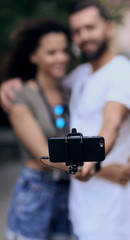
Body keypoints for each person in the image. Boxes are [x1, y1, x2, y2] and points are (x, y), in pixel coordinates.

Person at [0, 1, 130, 239]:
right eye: (77, 31)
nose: (83, 36)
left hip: (109, 208)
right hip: (65, 199)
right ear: (34, 56)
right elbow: (41, 151)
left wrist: (95, 162)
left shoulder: (124, 73)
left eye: (90, 27)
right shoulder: (77, 78)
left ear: (109, 27)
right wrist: (9, 84)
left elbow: (112, 123)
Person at [1, 19, 73, 240]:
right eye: (52, 52)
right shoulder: (20, 96)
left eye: (64, 51)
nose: (61, 58)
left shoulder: (69, 90)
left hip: (66, 191)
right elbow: (45, 155)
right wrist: (102, 170)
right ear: (34, 57)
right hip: (36, 192)